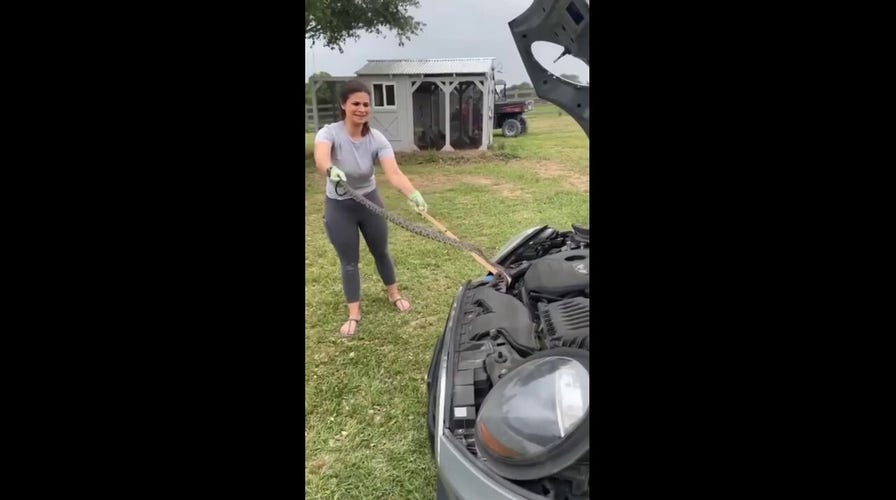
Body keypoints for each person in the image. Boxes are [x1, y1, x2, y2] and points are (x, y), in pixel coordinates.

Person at [313, 80, 428, 338]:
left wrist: (413, 193)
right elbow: (321, 158)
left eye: (366, 104)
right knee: (349, 262)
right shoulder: (329, 132)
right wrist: (331, 170)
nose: (362, 109)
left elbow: (394, 173)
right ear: (344, 105)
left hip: (370, 202)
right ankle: (354, 313)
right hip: (339, 206)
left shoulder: (377, 139)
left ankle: (394, 294)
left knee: (381, 251)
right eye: (356, 103)